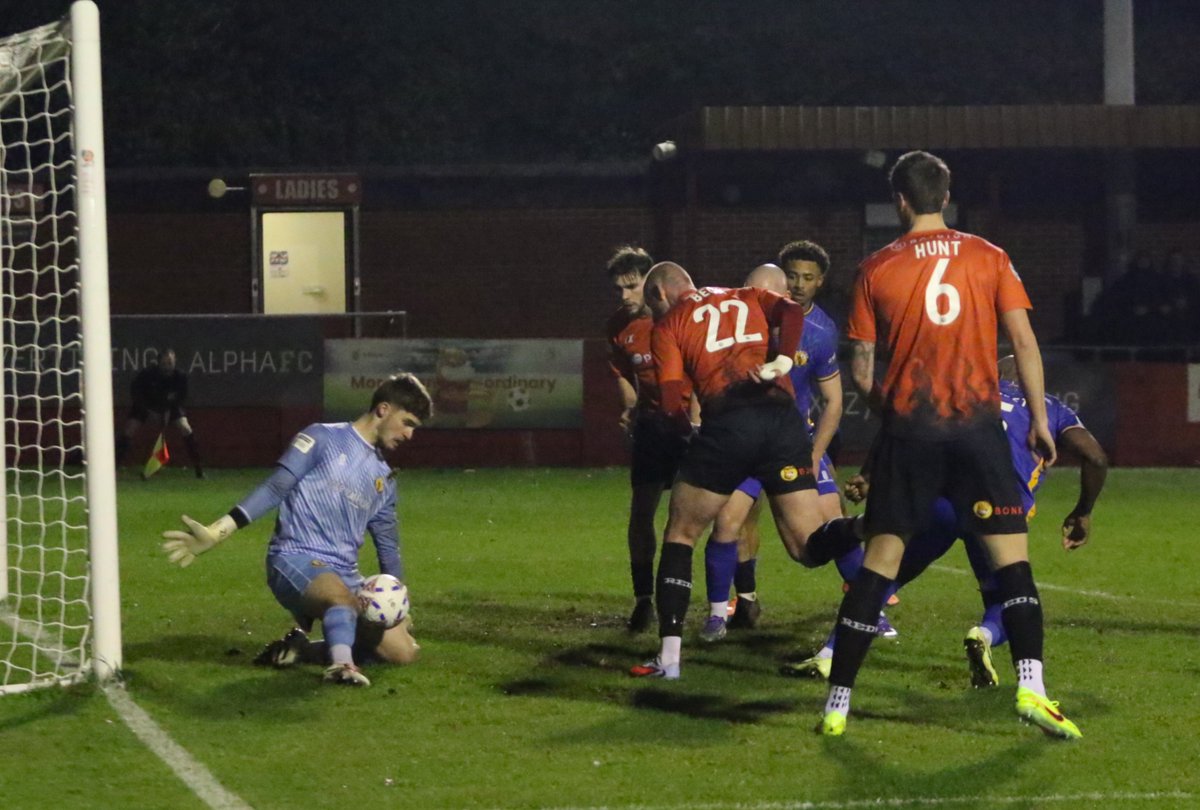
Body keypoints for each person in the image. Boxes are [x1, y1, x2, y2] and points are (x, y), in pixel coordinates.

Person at [820, 150, 1081, 740]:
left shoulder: (874, 268)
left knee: (879, 568)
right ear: (946, 195)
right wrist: (1040, 420)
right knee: (1012, 564)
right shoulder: (990, 256)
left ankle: (837, 705)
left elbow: (861, 372)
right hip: (977, 432)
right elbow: (1025, 343)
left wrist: (898, 414)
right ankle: (1033, 690)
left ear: (899, 201)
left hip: (911, 434)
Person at [785, 356, 1108, 686]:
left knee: (881, 579)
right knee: (1007, 597)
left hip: (943, 500)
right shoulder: (1051, 409)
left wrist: (869, 475)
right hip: (1000, 510)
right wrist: (1082, 511)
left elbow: (900, 424)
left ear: (993, 372)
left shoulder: (965, 392)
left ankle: (829, 657)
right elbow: (1095, 457)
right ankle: (983, 635)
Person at [628, 262, 861, 679]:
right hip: (783, 421)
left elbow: (669, 402)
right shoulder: (745, 294)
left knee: (681, 532)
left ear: (661, 294)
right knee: (807, 548)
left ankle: (670, 658)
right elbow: (791, 310)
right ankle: (867, 525)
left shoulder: (669, 324)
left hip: (730, 422)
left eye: (652, 305)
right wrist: (784, 362)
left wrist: (689, 437)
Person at [161, 373, 432, 687]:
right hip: (294, 557)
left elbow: (388, 547)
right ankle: (342, 666)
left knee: (403, 652)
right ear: (383, 410)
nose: (410, 435)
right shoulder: (322, 438)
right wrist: (217, 531)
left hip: (345, 572)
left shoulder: (384, 478)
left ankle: (303, 649)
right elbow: (275, 488)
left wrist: (399, 604)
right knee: (341, 600)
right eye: (407, 423)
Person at [604, 246, 694, 632]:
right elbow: (625, 375)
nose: (624, 295)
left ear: (651, 283)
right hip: (654, 427)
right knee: (642, 512)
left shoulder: (678, 318)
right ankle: (644, 600)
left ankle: (729, 599)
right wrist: (630, 409)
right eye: (618, 289)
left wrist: (699, 422)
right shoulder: (618, 327)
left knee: (704, 515)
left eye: (631, 286)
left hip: (690, 426)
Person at [116, 348, 205, 478]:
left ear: (174, 362)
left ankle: (199, 469)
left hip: (170, 407)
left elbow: (181, 398)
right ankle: (114, 466)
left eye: (170, 363)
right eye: (164, 364)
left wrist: (168, 411)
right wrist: (149, 411)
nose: (167, 367)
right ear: (158, 363)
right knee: (129, 429)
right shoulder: (146, 375)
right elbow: (136, 394)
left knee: (185, 427)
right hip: (145, 406)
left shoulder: (180, 377)